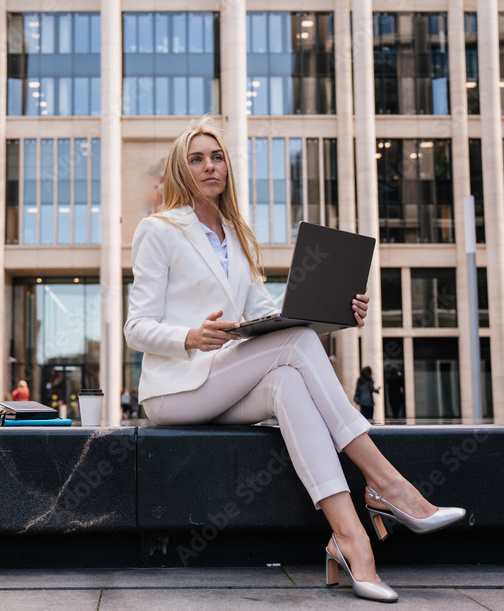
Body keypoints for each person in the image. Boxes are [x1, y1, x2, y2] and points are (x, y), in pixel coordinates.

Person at [124, 119, 465, 603]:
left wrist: (337, 314)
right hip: (176, 389)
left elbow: (271, 318)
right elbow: (135, 327)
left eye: (216, 156)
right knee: (293, 350)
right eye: (196, 158)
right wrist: (191, 336)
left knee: (288, 377)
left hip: (223, 384)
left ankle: (350, 539)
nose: (208, 166)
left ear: (227, 167)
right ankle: (388, 485)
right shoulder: (158, 230)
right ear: (182, 169)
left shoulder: (237, 235)